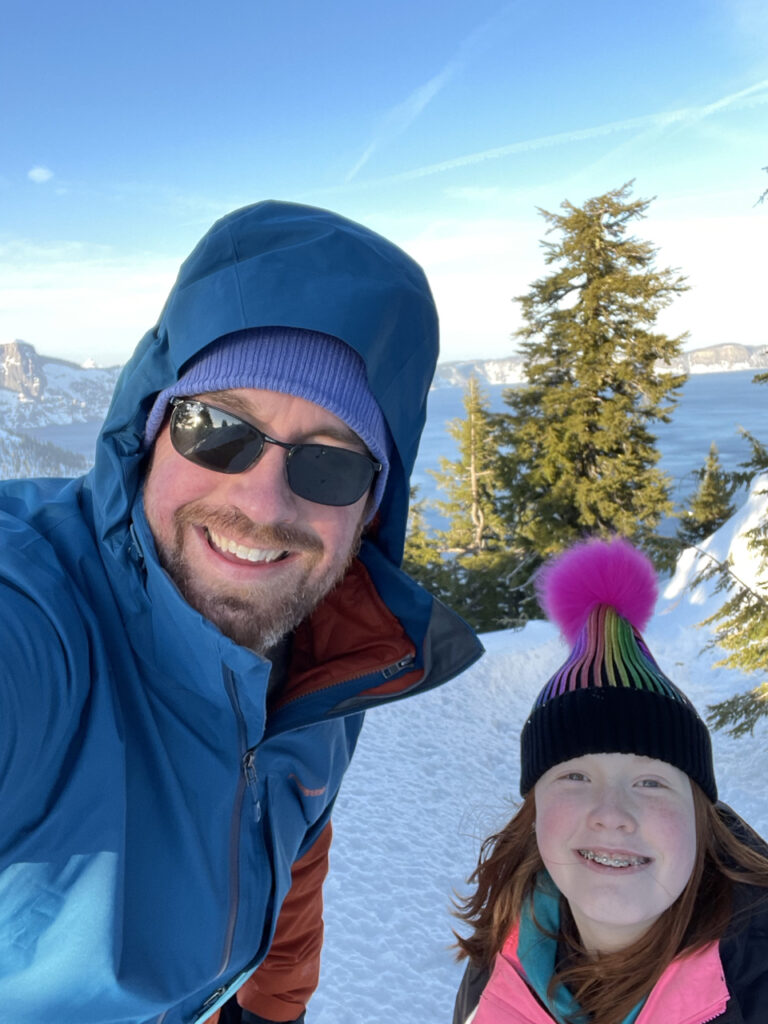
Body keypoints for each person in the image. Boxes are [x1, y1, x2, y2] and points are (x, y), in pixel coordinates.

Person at [0, 200, 483, 1024]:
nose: (262, 502)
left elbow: (292, 853)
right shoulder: (39, 619)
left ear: (370, 510)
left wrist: (267, 1015)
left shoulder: (332, 651)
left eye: (330, 464)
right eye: (218, 429)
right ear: (150, 430)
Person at [453, 538, 768, 1024]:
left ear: (701, 818)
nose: (611, 814)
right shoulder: (497, 962)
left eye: (651, 782)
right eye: (575, 776)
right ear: (534, 814)